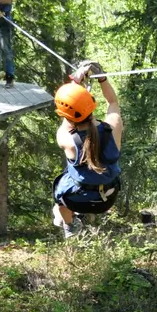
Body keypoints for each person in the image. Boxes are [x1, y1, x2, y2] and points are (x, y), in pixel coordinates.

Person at [52, 61, 123, 238]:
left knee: (59, 201)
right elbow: (113, 102)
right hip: (107, 198)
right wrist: (102, 78)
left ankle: (69, 226)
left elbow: (68, 118)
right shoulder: (113, 127)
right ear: (92, 105)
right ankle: (69, 220)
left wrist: (76, 84)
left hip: (75, 200)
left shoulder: (66, 139)